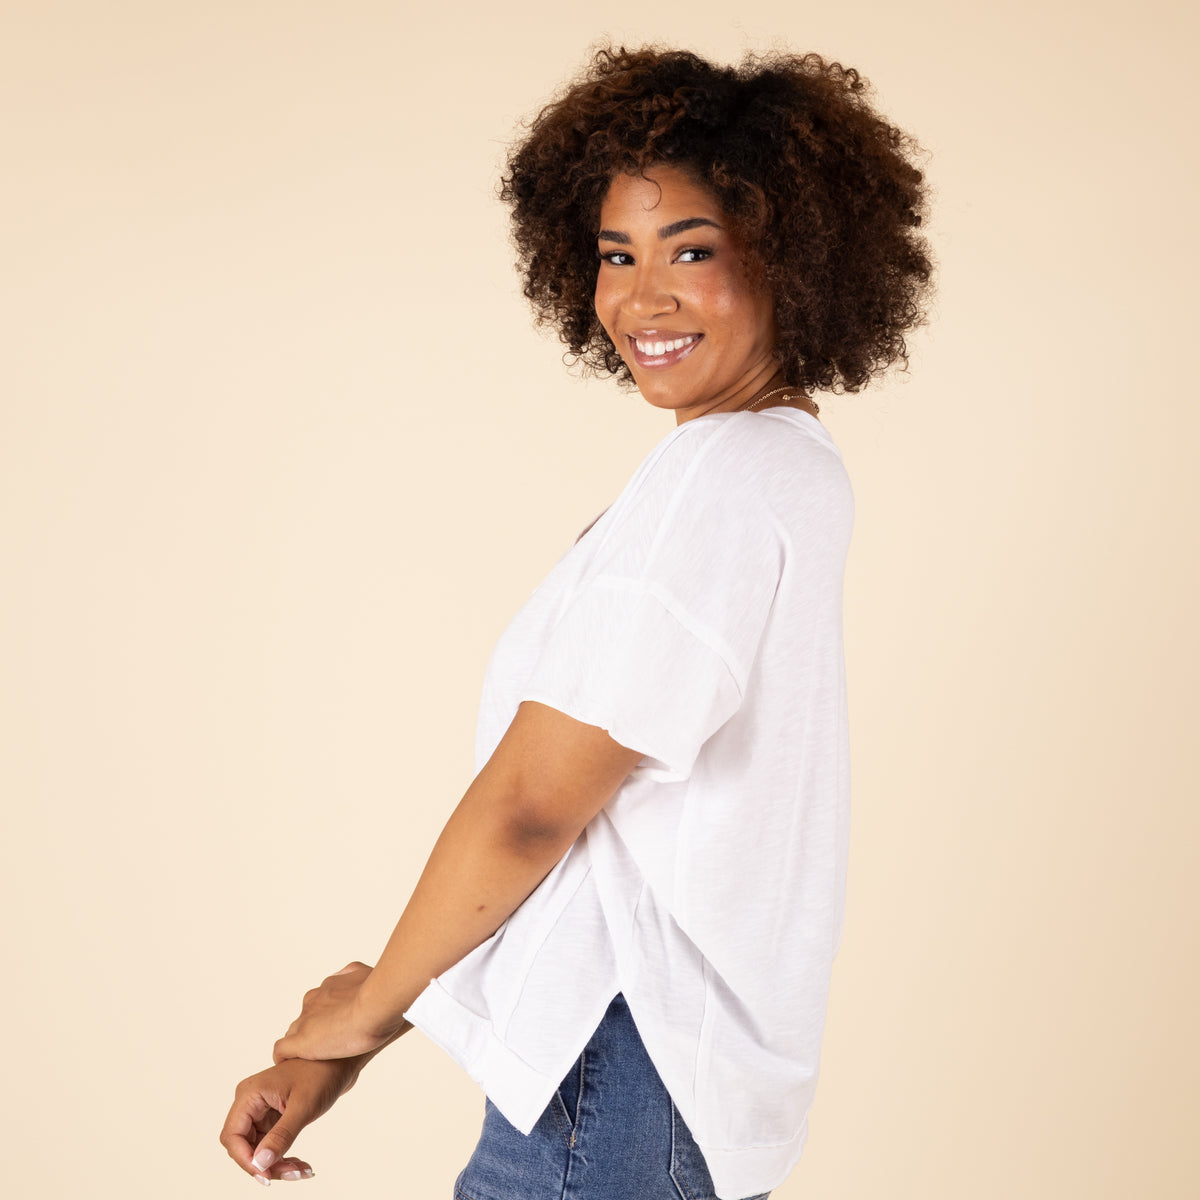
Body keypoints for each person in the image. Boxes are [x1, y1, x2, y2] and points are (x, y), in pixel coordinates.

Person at [219, 45, 932, 1200]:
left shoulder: (722, 484)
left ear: (792, 258)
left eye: (691, 250)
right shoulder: (784, 469)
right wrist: (381, 1018)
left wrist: (360, 1010)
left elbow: (533, 808)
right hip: (650, 1091)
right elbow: (619, 853)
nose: (641, 298)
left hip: (612, 1089)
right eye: (616, 254)